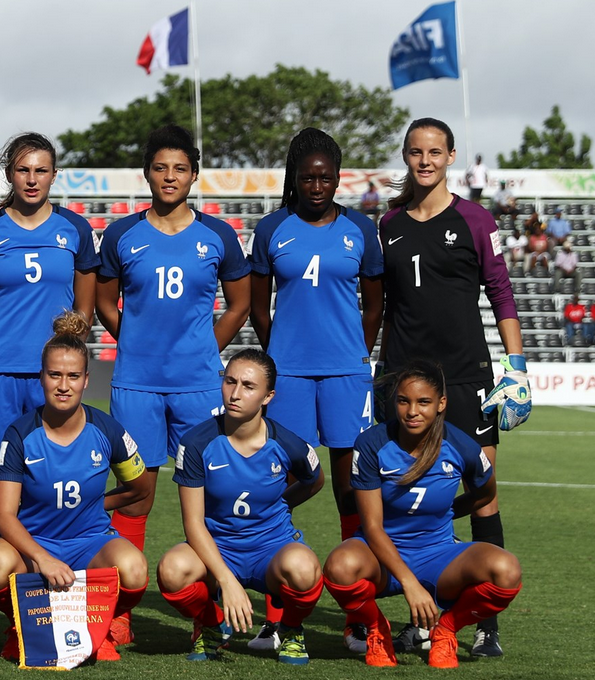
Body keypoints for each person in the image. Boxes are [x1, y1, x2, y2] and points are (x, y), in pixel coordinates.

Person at [378, 118, 529, 657]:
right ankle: (420, 615)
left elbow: (502, 293)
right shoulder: (389, 223)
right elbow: (389, 309)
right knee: (401, 494)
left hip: (466, 380)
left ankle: (485, 620)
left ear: (451, 157)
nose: (425, 161)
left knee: (482, 490)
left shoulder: (474, 217)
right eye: (416, 152)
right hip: (401, 380)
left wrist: (516, 366)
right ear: (406, 156)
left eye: (435, 152)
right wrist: (377, 370)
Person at [95, 124, 251, 643]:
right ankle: (119, 612)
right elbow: (103, 302)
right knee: (135, 493)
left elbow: (241, 303)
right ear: (147, 173)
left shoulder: (218, 235)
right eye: (160, 167)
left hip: (199, 388)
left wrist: (208, 347)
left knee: (212, 497)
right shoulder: (121, 234)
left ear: (194, 174)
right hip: (136, 384)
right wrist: (135, 341)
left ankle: (210, 613)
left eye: (179, 168)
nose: (169, 177)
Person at [0, 132, 100, 646]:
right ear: (10, 175)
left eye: (41, 170)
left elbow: (83, 313)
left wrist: (59, 360)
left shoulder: (76, 230)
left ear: (53, 175)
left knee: (46, 491)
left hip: (54, 380)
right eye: (23, 170)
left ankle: (40, 607)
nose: (33, 179)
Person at [249, 128, 382, 653]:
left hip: (348, 375)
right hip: (292, 378)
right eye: (309, 177)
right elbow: (260, 308)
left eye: (327, 176)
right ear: (296, 179)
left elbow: (374, 305)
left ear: (338, 177)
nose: (318, 184)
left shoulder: (360, 230)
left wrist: (355, 352)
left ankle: (357, 615)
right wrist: (281, 358)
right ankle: (282, 616)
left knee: (354, 492)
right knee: (283, 486)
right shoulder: (271, 229)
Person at [323, 361, 522, 668]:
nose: (412, 411)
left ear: (442, 403)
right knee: (339, 567)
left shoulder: (461, 446)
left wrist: (448, 512)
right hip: (379, 553)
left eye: (423, 402)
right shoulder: (372, 443)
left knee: (506, 571)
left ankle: (446, 630)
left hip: (438, 552)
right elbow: (373, 527)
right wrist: (410, 584)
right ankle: (377, 628)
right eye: (404, 401)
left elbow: (485, 493)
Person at [0, 312, 152, 661]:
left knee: (135, 569)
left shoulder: (108, 430)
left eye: (73, 376)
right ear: (41, 377)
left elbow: (140, 487)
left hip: (90, 542)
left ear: (87, 380)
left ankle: (99, 624)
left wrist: (97, 505)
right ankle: (20, 625)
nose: (63, 385)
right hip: (35, 544)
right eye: (54, 374)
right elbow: (4, 515)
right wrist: (42, 559)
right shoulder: (20, 434)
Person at [157, 349, 325, 665]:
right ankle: (210, 623)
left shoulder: (287, 443)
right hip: (217, 548)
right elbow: (193, 524)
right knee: (171, 570)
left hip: (271, 549)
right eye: (230, 381)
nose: (235, 393)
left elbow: (314, 480)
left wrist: (283, 504)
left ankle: (290, 629)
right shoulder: (196, 442)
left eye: (248, 386)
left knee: (305, 568)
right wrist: (226, 580)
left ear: (267, 396)